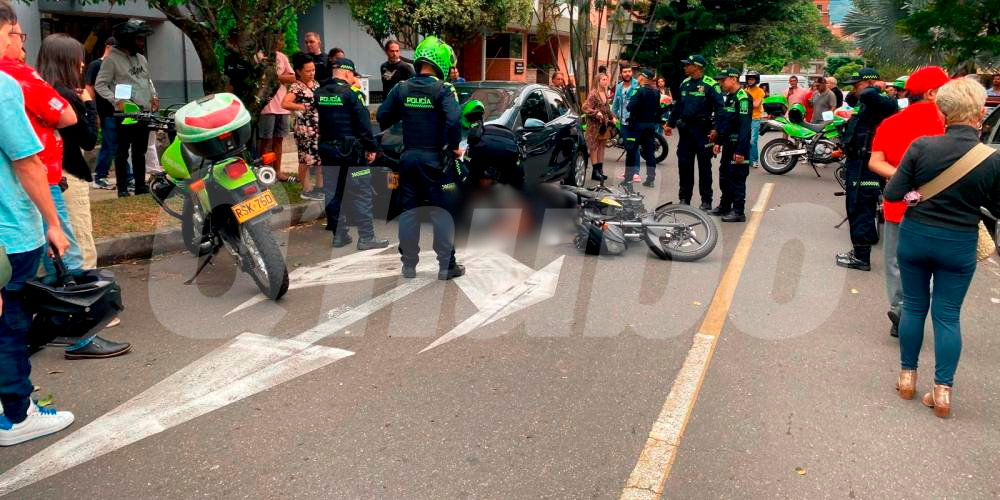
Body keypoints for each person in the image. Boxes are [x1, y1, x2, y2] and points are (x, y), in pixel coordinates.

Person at [884, 78, 1000, 419]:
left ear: (942, 111)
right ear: (980, 113)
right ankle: (943, 392)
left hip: (916, 237)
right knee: (947, 315)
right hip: (959, 242)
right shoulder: (991, 159)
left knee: (915, 307)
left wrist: (916, 194)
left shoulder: (922, 147)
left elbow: (893, 194)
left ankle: (907, 378)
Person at [0, 0, 75, 445]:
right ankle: (15, 414)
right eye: (14, 32)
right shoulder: (5, 86)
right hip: (9, 232)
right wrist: (52, 222)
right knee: (11, 323)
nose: (17, 41)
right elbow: (27, 162)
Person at [36, 33, 131, 358]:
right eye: (77, 58)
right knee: (76, 248)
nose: (81, 63)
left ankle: (62, 320)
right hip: (67, 176)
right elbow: (89, 139)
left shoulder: (39, 90)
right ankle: (86, 323)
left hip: (49, 176)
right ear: (64, 60)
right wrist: (89, 103)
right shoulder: (63, 95)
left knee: (57, 254)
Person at [868, 66, 949, 338]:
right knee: (933, 264)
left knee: (895, 262)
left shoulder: (891, 123)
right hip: (940, 209)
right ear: (932, 93)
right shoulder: (947, 126)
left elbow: (875, 162)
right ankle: (912, 310)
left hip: (898, 206)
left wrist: (903, 178)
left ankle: (901, 308)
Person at [377, 36, 465, 280]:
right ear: (442, 63)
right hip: (436, 160)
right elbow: (454, 120)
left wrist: (408, 116)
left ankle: (408, 265)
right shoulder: (444, 89)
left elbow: (383, 115)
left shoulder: (401, 88)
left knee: (409, 211)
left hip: (408, 158)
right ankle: (447, 266)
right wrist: (454, 146)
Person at [316, 58, 389, 251]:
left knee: (332, 192)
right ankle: (366, 237)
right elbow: (364, 126)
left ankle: (339, 235)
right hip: (351, 154)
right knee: (361, 192)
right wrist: (372, 148)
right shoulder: (352, 94)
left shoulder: (319, 92)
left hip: (328, 150)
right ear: (348, 73)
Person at [836, 67, 898, 271]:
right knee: (857, 207)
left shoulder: (882, 102)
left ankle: (861, 257)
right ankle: (861, 249)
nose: (854, 90)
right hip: (858, 163)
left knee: (861, 208)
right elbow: (855, 100)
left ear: (871, 84)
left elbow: (867, 94)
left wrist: (876, 87)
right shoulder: (867, 101)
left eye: (857, 85)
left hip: (867, 166)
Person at [94, 19, 158, 198]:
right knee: (122, 151)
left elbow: (147, 79)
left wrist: (154, 96)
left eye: (142, 39)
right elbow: (100, 85)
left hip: (144, 111)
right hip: (125, 113)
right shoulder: (111, 60)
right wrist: (115, 101)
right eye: (138, 39)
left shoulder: (142, 58)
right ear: (128, 39)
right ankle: (122, 188)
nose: (141, 42)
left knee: (140, 151)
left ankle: (140, 186)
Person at [665, 54, 724, 210]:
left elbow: (719, 109)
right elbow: (677, 106)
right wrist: (669, 124)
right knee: (684, 165)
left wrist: (716, 129)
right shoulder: (684, 84)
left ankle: (706, 200)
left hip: (703, 131)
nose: (685, 67)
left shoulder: (711, 85)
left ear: (697, 67)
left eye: (688, 65)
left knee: (704, 167)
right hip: (685, 131)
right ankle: (684, 198)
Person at [86, 37, 130, 191]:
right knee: (112, 145)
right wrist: (93, 110)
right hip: (106, 112)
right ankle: (101, 176)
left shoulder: (116, 65)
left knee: (116, 145)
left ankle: (124, 175)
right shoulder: (96, 65)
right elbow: (90, 87)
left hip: (119, 111)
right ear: (109, 47)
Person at [711, 68, 753, 223]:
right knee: (725, 176)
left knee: (737, 178)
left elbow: (745, 126)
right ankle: (725, 205)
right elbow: (725, 122)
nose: (720, 83)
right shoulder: (729, 97)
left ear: (733, 79)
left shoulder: (743, 98)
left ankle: (738, 211)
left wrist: (741, 150)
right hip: (728, 143)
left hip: (738, 145)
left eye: (723, 80)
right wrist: (718, 142)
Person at [282, 53, 323, 201]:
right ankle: (307, 189)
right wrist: (301, 106)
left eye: (313, 70)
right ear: (299, 71)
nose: (312, 73)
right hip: (305, 129)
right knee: (305, 159)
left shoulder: (316, 84)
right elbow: (285, 103)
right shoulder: (296, 87)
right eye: (308, 70)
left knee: (320, 158)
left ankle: (319, 187)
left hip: (319, 126)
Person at [256, 37, 296, 183]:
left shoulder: (281, 56)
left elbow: (292, 77)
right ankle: (265, 172)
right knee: (266, 140)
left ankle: (277, 171)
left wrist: (276, 77)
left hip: (282, 105)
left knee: (278, 140)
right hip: (266, 106)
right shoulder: (257, 56)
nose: (274, 42)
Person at [625, 68, 661, 188]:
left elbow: (630, 107)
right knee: (650, 153)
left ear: (643, 78)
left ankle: (628, 179)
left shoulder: (638, 91)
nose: (638, 77)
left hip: (636, 126)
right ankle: (650, 179)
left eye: (640, 76)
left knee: (631, 152)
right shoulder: (656, 92)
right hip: (650, 126)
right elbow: (657, 109)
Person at [582, 72, 614, 181]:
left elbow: (607, 109)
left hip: (603, 126)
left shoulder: (605, 93)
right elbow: (585, 107)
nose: (605, 81)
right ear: (598, 81)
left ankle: (600, 170)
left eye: (606, 79)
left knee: (601, 147)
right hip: (593, 127)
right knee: (594, 148)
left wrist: (612, 117)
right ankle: (595, 172)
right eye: (603, 79)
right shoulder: (593, 94)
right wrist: (596, 113)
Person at [612, 64, 640, 181]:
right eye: (625, 72)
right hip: (623, 122)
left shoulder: (637, 85)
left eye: (629, 71)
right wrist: (614, 115)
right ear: (621, 74)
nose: (627, 74)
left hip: (634, 122)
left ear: (631, 73)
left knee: (634, 147)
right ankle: (628, 171)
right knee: (628, 147)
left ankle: (636, 172)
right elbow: (615, 103)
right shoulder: (619, 87)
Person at [745, 71, 765, 168]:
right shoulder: (745, 90)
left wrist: (746, 104)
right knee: (745, 140)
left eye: (752, 79)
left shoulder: (760, 91)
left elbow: (756, 105)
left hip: (755, 118)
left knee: (753, 140)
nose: (750, 81)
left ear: (756, 80)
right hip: (745, 118)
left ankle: (754, 160)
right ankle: (747, 160)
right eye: (749, 79)